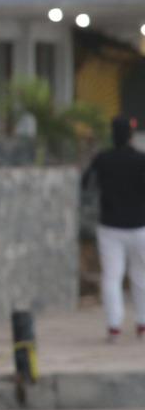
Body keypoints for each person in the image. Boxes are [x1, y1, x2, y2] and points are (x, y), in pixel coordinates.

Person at [82, 116, 145, 341]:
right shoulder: (140, 159)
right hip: (139, 226)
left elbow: (85, 184)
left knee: (111, 276)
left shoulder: (103, 159)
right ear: (130, 135)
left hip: (110, 227)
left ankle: (114, 326)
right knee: (141, 275)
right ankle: (142, 322)